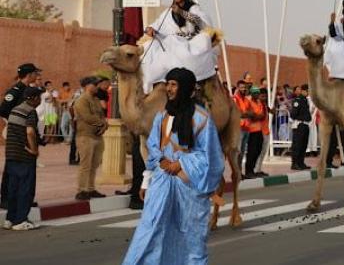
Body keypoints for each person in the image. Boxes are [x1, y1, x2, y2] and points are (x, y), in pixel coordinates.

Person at [122, 68, 224, 265]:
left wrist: (181, 163)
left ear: (185, 88)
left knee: (191, 237)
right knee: (151, 230)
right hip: (161, 182)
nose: (168, 89)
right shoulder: (162, 117)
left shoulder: (202, 119)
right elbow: (153, 147)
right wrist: (146, 180)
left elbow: (211, 157)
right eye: (167, 84)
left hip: (189, 186)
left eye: (173, 85)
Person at [141, 0, 218, 93]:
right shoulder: (169, 11)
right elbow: (158, 24)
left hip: (190, 44)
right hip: (171, 44)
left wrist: (182, 12)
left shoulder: (194, 8)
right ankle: (147, 87)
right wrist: (150, 29)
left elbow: (203, 23)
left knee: (188, 50)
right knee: (149, 47)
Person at [0, 63, 42, 211]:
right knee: (12, 166)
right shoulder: (16, 90)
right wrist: (15, 121)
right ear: (29, 74)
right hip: (17, 133)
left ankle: (24, 198)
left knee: (26, 167)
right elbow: (3, 109)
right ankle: (5, 199)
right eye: (35, 73)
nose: (37, 76)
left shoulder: (28, 90)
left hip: (27, 130)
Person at [4, 87, 43, 231]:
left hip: (11, 154)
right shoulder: (30, 111)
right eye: (39, 98)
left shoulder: (15, 109)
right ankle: (21, 220)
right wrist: (34, 149)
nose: (40, 101)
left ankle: (10, 219)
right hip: (24, 155)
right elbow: (30, 131)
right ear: (33, 98)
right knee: (25, 188)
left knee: (13, 188)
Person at [72, 76, 109, 200]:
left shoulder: (95, 99)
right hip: (85, 136)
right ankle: (82, 190)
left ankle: (90, 188)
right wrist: (102, 123)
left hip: (97, 136)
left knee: (94, 164)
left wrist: (104, 124)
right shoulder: (81, 100)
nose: (97, 87)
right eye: (94, 84)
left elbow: (101, 115)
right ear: (86, 86)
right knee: (85, 165)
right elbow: (87, 117)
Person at [242, 87, 266, 179]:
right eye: (255, 93)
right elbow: (252, 116)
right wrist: (256, 116)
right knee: (251, 151)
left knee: (258, 150)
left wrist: (257, 116)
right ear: (252, 94)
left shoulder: (259, 102)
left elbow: (262, 115)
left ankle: (253, 169)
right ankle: (248, 171)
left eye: (258, 93)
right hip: (251, 130)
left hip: (259, 130)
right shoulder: (249, 102)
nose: (257, 95)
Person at [289, 85, 312, 170]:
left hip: (306, 124)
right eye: (307, 91)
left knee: (303, 145)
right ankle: (295, 163)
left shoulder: (305, 100)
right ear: (303, 91)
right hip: (299, 124)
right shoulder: (298, 100)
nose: (308, 93)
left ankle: (301, 162)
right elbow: (293, 114)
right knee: (297, 145)